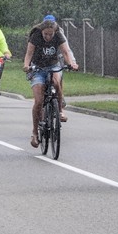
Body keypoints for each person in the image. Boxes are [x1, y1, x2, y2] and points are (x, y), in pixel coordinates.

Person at [23, 19, 78, 148]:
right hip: (37, 68)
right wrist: (26, 65)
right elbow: (29, 53)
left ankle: (59, 111)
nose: (48, 37)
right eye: (45, 34)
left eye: (50, 34)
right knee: (38, 100)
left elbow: (65, 52)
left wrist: (71, 64)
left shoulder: (58, 35)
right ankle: (35, 132)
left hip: (53, 66)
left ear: (54, 32)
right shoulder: (36, 35)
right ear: (42, 31)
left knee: (56, 83)